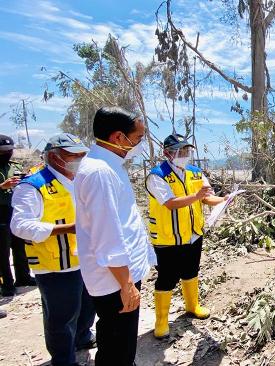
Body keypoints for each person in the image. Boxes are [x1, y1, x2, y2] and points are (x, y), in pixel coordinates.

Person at [74, 107, 156, 366]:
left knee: (120, 341)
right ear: (119, 137)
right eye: (139, 138)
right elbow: (107, 234)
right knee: (116, 346)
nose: (140, 144)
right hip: (115, 279)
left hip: (121, 274)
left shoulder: (110, 166)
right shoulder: (100, 172)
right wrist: (126, 284)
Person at [10, 133, 96, 366]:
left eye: (82, 154)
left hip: (86, 258)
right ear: (55, 157)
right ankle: (64, 360)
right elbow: (20, 226)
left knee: (88, 306)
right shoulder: (33, 186)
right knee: (62, 316)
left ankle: (83, 337)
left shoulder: (80, 180)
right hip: (55, 263)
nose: (79, 158)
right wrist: (66, 229)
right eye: (73, 155)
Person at [145, 134, 226, 339]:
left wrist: (224, 200)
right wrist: (197, 197)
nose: (184, 155)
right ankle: (161, 321)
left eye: (186, 151)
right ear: (167, 153)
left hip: (192, 234)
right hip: (168, 237)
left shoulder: (195, 173)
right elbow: (170, 203)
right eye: (179, 151)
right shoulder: (157, 176)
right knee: (167, 277)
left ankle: (192, 306)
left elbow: (206, 198)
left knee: (191, 270)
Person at [0, 134, 35, 296]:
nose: (7, 153)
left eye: (9, 150)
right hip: (0, 214)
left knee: (20, 247)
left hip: (15, 212)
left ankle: (23, 277)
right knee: (2, 252)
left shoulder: (15, 166)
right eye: (3, 151)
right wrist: (2, 186)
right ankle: (7, 285)